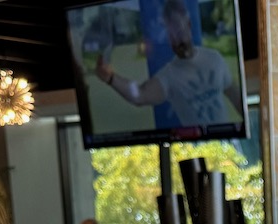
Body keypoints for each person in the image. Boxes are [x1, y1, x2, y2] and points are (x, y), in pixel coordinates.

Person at [94, 0, 241, 129]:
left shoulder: (214, 58)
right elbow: (140, 96)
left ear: (188, 25)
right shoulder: (168, 76)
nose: (176, 39)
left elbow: (235, 96)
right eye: (170, 34)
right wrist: (111, 79)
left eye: (178, 30)